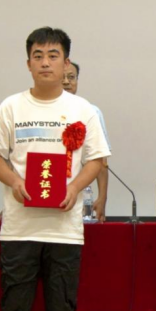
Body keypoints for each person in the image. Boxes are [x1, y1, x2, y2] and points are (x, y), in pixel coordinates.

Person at [0, 27, 110, 311]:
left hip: (64, 230)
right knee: (15, 308)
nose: (45, 62)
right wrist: (14, 180)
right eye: (38, 55)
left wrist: (75, 188)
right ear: (28, 63)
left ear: (66, 63)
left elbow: (96, 159)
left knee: (62, 308)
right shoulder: (11, 107)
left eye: (53, 55)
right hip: (19, 227)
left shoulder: (82, 110)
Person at [62, 61, 111, 222]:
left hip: (80, 194)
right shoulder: (39, 111)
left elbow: (101, 161)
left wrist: (102, 198)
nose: (67, 82)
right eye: (62, 77)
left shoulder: (91, 112)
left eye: (71, 77)